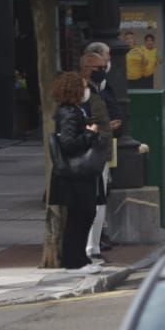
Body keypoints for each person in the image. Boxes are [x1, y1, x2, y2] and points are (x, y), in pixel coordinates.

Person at [49, 72, 100, 271]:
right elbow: (68, 143)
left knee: (84, 213)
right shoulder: (69, 113)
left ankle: (79, 258)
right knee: (81, 214)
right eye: (83, 86)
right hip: (75, 173)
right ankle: (75, 260)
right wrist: (90, 134)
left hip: (78, 172)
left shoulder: (74, 110)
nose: (86, 90)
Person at [79, 51, 115, 262]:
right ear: (86, 68)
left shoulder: (99, 89)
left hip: (101, 151)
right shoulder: (83, 92)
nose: (103, 72)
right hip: (91, 153)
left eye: (104, 67)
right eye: (98, 68)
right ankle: (89, 248)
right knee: (93, 202)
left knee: (99, 202)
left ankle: (94, 247)